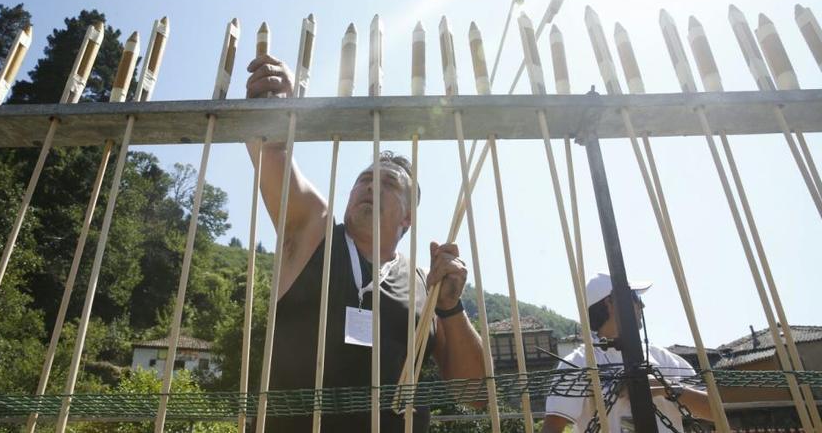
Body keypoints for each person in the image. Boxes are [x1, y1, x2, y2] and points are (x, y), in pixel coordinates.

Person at [245, 54, 487, 432]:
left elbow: (474, 393)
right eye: (364, 179)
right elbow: (271, 152)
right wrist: (279, 107)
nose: (371, 185)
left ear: (407, 218)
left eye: (389, 184)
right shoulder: (314, 230)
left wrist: (451, 309)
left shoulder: (427, 284)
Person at [541, 272, 714, 433]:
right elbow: (552, 428)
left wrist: (666, 387)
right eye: (635, 297)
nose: (642, 305)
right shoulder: (579, 363)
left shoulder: (663, 358)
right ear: (610, 303)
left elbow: (714, 411)